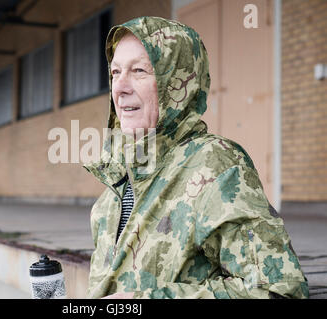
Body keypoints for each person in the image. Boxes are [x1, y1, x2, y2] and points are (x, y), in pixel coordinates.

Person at [82, 16, 309, 299]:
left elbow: (280, 289)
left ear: (178, 82)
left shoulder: (216, 164)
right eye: (115, 72)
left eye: (139, 70)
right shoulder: (113, 191)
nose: (120, 87)